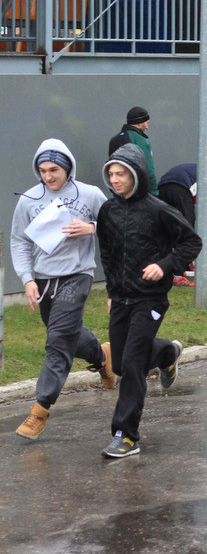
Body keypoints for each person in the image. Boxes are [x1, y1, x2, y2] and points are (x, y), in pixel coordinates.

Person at [97, 144, 202, 458]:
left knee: (131, 366)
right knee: (117, 363)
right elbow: (108, 256)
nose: (115, 180)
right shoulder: (108, 211)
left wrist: (165, 265)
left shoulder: (158, 209)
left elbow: (191, 242)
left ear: (136, 175)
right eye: (111, 174)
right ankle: (167, 352)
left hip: (151, 299)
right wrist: (112, 293)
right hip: (122, 297)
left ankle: (126, 435)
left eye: (121, 174)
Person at [11, 139, 115, 440]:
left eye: (53, 169)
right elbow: (19, 241)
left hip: (77, 275)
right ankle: (101, 358)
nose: (48, 176)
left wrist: (92, 227)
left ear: (67, 167)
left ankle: (40, 409)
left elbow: (116, 222)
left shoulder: (90, 194)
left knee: (58, 340)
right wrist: (27, 279)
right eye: (42, 170)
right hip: (43, 278)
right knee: (68, 334)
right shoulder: (29, 200)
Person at [157, 163, 197, 287]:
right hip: (180, 188)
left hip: (162, 187)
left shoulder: (193, 168)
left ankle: (165, 271)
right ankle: (179, 275)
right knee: (185, 230)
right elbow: (198, 198)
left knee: (167, 230)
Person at [109, 106, 158, 195]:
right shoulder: (141, 140)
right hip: (139, 195)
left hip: (119, 194)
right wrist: (154, 193)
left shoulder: (114, 140)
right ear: (139, 124)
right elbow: (148, 169)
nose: (147, 127)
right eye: (146, 123)